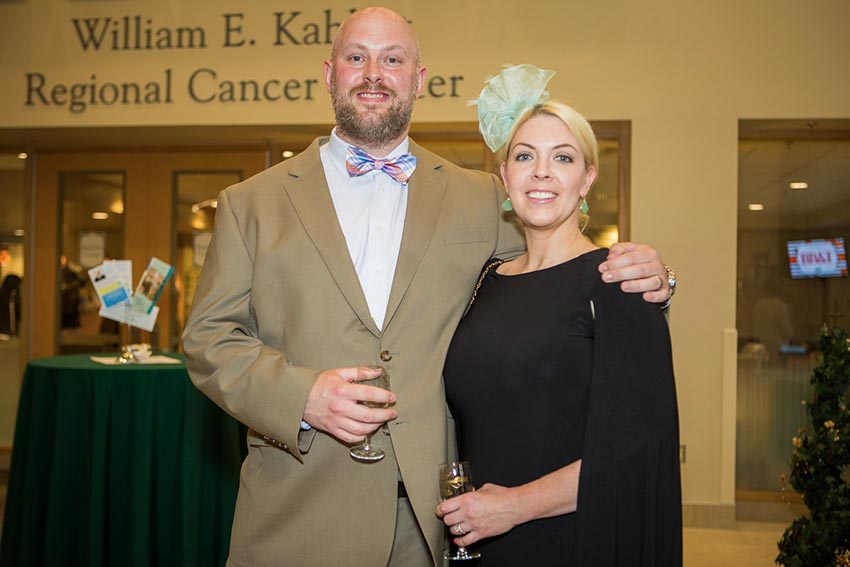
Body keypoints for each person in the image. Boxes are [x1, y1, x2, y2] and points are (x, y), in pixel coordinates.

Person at [182, 8, 673, 567]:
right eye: (356, 57)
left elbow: (555, 274)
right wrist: (303, 397)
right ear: (329, 73)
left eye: (392, 59)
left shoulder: (481, 197)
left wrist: (654, 278)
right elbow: (209, 339)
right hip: (297, 514)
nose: (373, 73)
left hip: (430, 521)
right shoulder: (251, 203)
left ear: (418, 80)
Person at [436, 65, 682, 566]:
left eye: (562, 157)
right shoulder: (485, 280)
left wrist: (513, 507)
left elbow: (635, 451)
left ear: (587, 178)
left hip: (571, 541)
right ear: (505, 175)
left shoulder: (618, 282)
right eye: (525, 156)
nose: (541, 172)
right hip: (479, 541)